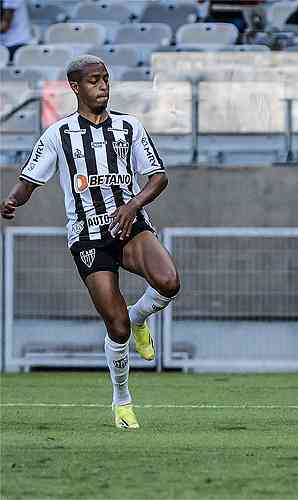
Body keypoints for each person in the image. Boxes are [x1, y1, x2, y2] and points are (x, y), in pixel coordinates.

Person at [1, 55, 180, 430]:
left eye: (106, 79)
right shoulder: (59, 133)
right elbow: (30, 179)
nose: (103, 86)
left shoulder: (130, 127)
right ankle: (122, 400)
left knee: (168, 282)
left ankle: (140, 315)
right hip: (87, 235)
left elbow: (158, 177)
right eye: (94, 80)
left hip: (129, 223)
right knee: (116, 326)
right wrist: (14, 199)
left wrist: (132, 204)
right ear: (75, 87)